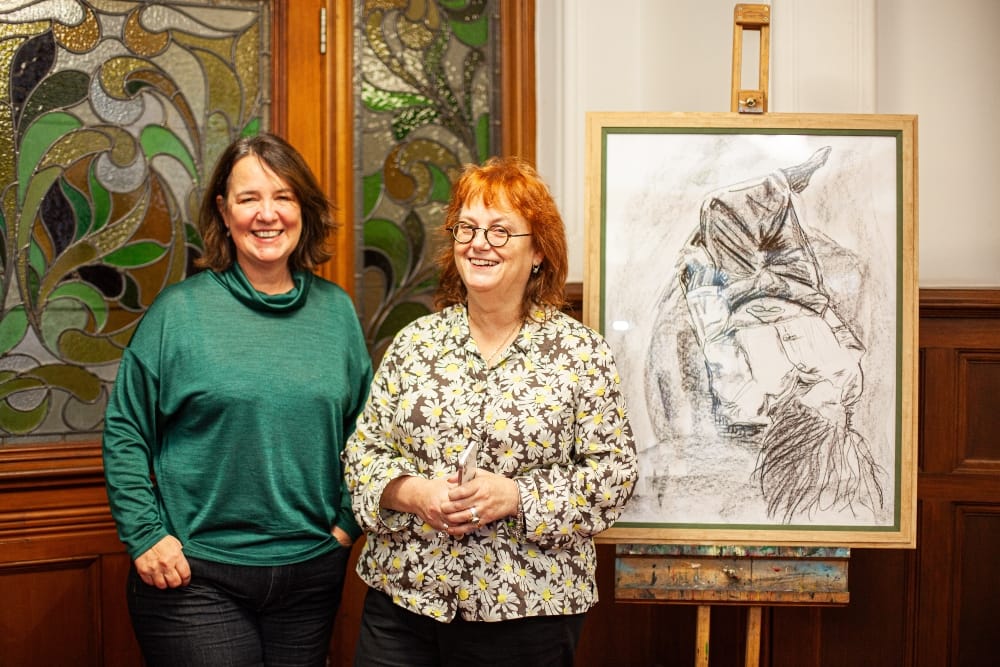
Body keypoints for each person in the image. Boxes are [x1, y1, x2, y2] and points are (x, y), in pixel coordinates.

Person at [343, 155, 639, 666]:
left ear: (538, 251)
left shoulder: (580, 353)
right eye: (468, 228)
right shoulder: (415, 343)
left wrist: (516, 495)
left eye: (500, 231)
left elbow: (614, 476)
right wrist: (415, 494)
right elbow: (362, 454)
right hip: (404, 600)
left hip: (528, 609)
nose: (479, 243)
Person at [102, 132, 373, 667]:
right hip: (196, 576)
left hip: (312, 573)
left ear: (303, 210)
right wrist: (146, 535)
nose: (267, 214)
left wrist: (347, 523)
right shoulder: (178, 313)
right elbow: (126, 428)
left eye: (283, 197)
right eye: (249, 199)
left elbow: (366, 431)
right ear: (225, 213)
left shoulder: (336, 312)